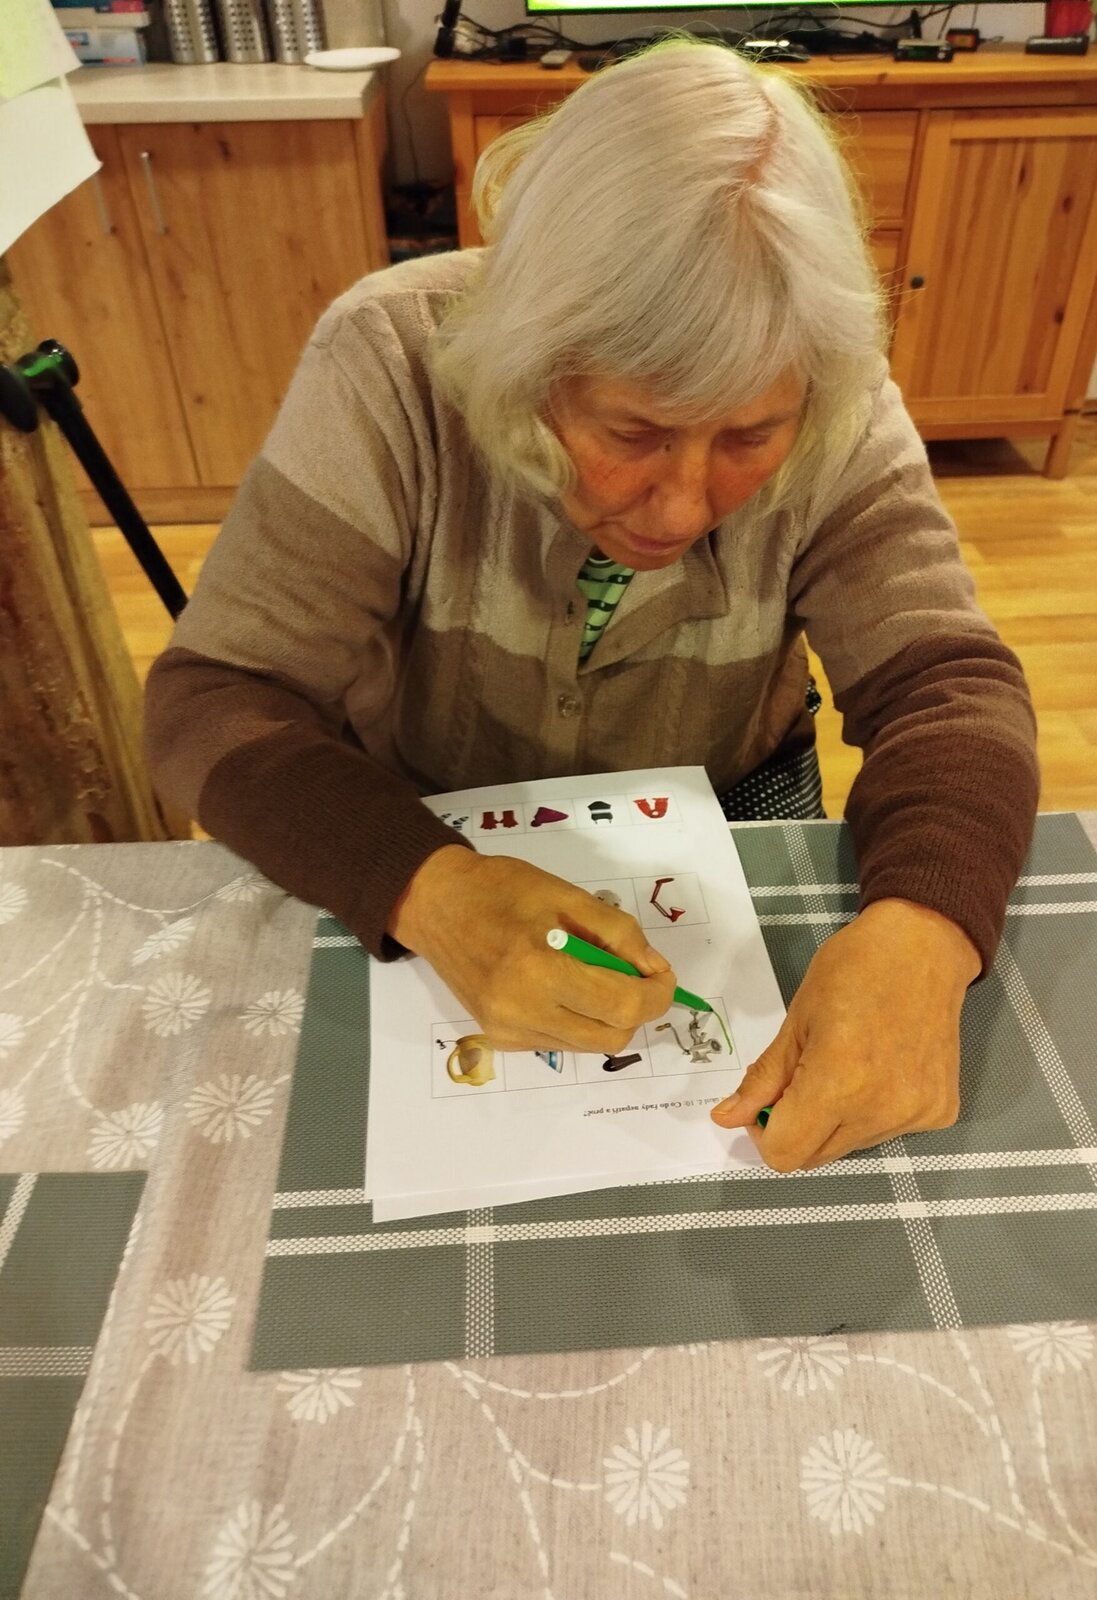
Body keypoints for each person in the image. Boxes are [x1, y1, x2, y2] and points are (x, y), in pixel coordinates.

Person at [144, 38, 1038, 1174]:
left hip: (736, 798)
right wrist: (432, 886)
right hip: (419, 806)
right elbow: (216, 697)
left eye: (751, 437)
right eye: (632, 431)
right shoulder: (390, 359)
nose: (683, 507)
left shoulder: (836, 398)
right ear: (527, 357)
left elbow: (946, 685)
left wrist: (926, 930)